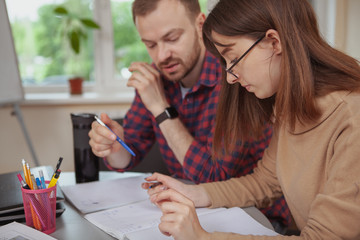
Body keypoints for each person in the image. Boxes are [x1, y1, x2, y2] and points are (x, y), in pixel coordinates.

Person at [142, 0, 360, 239]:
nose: (230, 77)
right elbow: (264, 183)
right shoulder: (291, 107)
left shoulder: (352, 118)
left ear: (274, 42)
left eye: (233, 58)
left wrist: (202, 237)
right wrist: (192, 192)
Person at [88, 0, 290, 232]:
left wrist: (162, 109)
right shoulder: (157, 79)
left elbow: (213, 177)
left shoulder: (235, 75)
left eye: (172, 38)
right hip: (193, 208)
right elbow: (128, 155)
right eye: (151, 44)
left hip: (255, 217)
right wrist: (113, 146)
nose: (162, 56)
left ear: (200, 25)